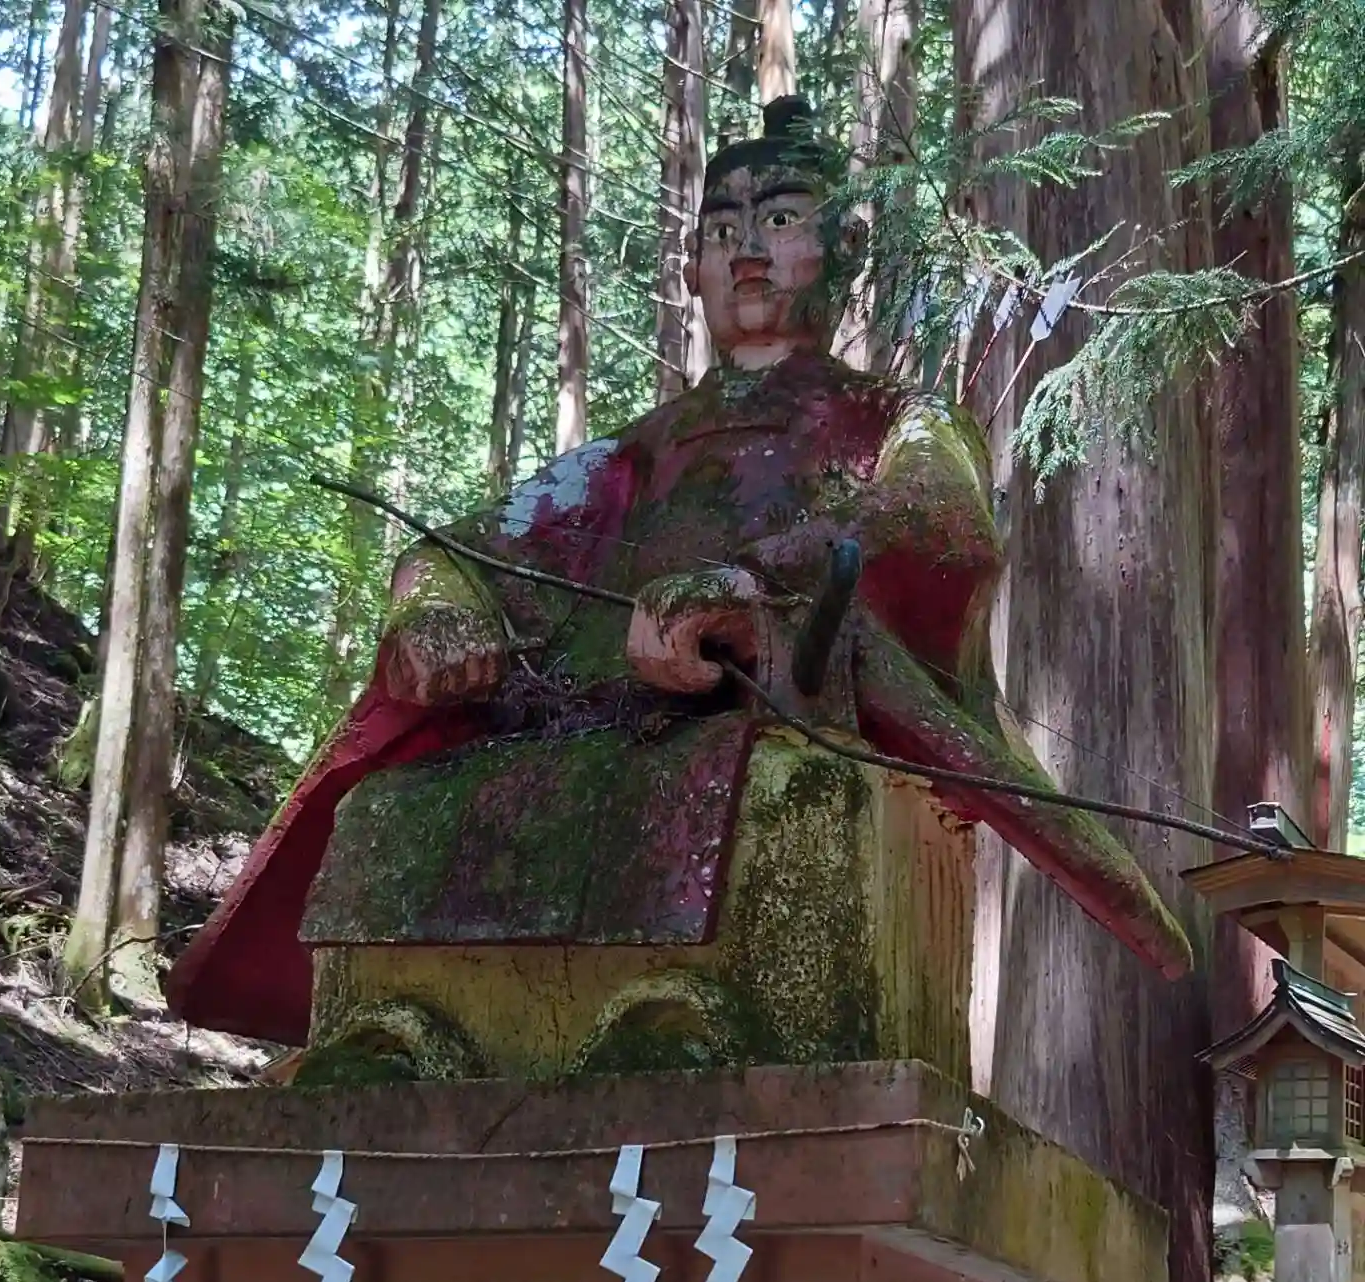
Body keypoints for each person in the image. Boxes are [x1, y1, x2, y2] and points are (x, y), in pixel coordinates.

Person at [169, 96, 1189, 1068]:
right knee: (403, 800)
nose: (746, 252)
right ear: (692, 266)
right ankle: (408, 1032)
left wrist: (756, 591)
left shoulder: (895, 420)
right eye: (722, 231)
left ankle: (687, 1019)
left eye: (780, 220)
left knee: (774, 791)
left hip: (771, 710)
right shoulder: (634, 456)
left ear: (846, 249)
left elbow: (937, 523)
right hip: (598, 716)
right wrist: (437, 609)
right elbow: (460, 550)